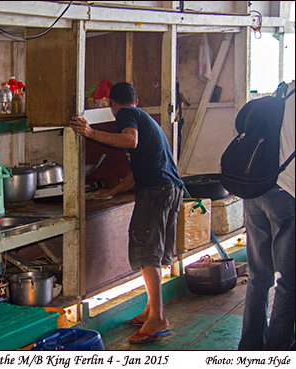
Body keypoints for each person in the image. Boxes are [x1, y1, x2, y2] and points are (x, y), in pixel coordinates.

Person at [69, 82, 184, 344]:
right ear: (136, 98)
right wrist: (115, 190)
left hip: (155, 191)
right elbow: (139, 165)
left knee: (146, 253)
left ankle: (158, 318)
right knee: (152, 252)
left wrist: (91, 133)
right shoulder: (145, 118)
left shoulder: (126, 115)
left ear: (112, 103)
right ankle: (151, 311)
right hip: (170, 189)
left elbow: (130, 140)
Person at [238, 80, 295, 350]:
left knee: (259, 275)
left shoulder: (283, 93)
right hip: (286, 196)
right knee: (288, 280)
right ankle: (278, 350)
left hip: (257, 190)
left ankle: (250, 347)